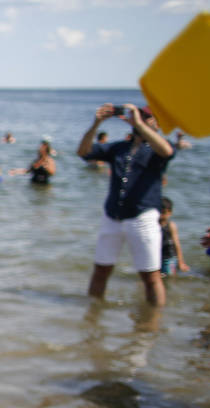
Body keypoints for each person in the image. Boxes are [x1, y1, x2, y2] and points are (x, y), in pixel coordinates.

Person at [77, 103, 174, 306]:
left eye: (146, 117)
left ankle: (152, 324)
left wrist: (140, 124)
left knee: (150, 276)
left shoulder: (156, 149)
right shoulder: (119, 148)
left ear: (156, 123)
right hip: (112, 216)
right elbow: (83, 152)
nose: (140, 120)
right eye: (138, 116)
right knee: (101, 270)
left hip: (143, 217)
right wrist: (96, 124)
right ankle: (92, 317)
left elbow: (167, 151)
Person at [159, 197, 188, 277]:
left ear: (170, 213)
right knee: (159, 276)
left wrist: (181, 262)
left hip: (169, 258)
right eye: (159, 212)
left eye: (164, 213)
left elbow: (177, 244)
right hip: (158, 257)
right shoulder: (154, 225)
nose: (161, 215)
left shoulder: (171, 226)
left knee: (170, 276)